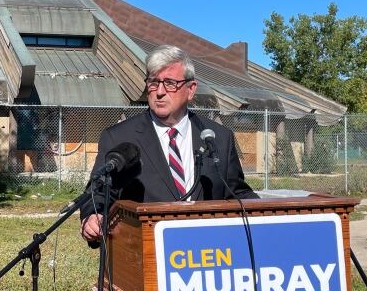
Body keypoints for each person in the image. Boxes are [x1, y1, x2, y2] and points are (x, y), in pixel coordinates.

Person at [81, 45, 258, 241]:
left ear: (191, 90)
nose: (160, 92)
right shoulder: (119, 137)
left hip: (209, 252)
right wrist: (92, 216)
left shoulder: (219, 137)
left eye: (170, 83)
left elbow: (236, 192)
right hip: (145, 252)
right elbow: (97, 193)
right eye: (154, 82)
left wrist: (274, 215)